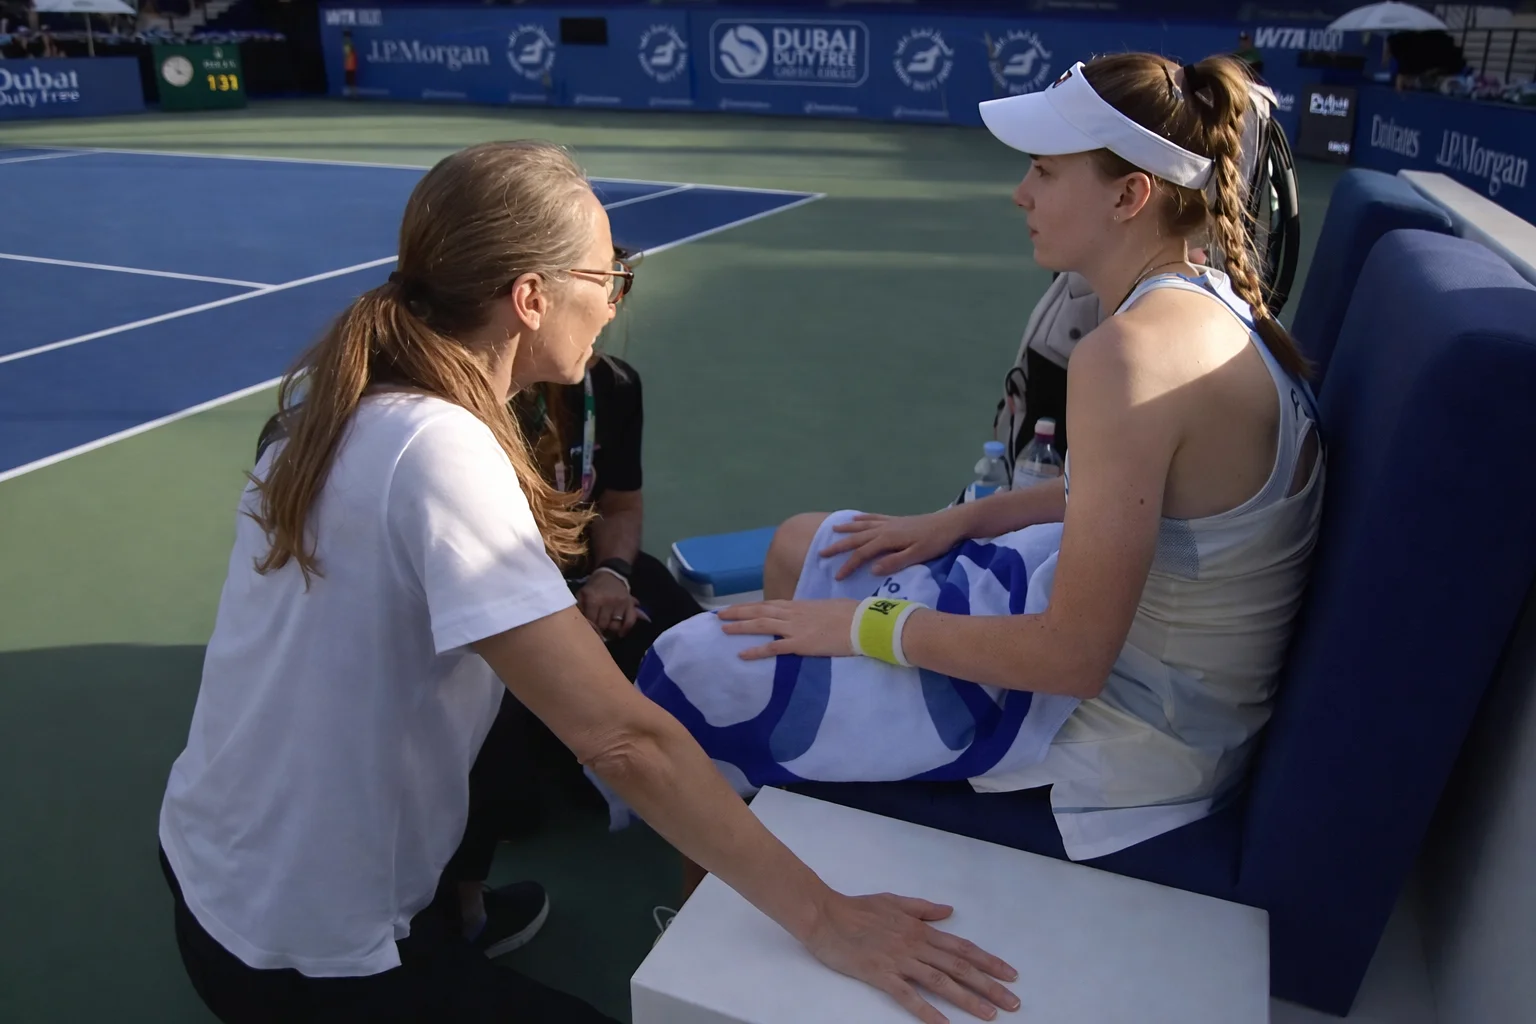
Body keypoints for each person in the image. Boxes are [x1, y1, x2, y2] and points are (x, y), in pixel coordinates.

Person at [158, 140, 1020, 1024]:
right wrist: (828, 918)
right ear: (530, 298)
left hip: (210, 867)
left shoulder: (344, 400)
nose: (613, 300)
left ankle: (449, 919)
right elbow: (624, 744)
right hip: (302, 953)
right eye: (607, 274)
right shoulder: (437, 448)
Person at [668, 52, 1325, 867]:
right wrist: (962, 519)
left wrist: (864, 626)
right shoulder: (1203, 302)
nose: (1022, 193)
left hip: (1134, 745)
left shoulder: (1132, 355)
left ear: (1131, 196)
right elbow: (1135, 500)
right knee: (810, 544)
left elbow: (1070, 658)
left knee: (702, 674)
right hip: (1158, 684)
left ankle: (730, 908)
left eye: (1046, 173)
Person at [512, 329, 703, 682]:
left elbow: (619, 506)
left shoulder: (614, 384)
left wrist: (612, 574)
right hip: (507, 590)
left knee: (698, 653)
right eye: (603, 284)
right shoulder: (470, 411)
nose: (613, 309)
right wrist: (559, 606)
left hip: (590, 567)